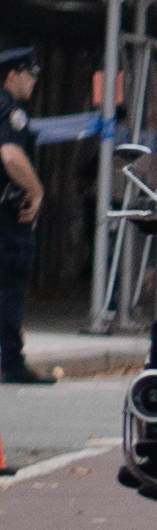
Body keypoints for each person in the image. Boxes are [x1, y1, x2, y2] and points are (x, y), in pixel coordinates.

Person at [0, 41, 52, 387]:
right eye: (30, 74)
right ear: (12, 75)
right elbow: (11, 156)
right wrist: (36, 191)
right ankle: (12, 363)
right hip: (6, 218)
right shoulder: (10, 111)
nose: (34, 81)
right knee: (8, 289)